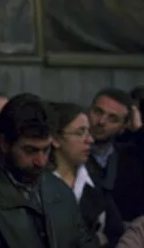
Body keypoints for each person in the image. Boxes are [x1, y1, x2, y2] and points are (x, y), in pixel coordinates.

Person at [0, 93, 97, 248]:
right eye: (30, 150)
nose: (40, 161)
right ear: (4, 143)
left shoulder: (60, 191)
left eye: (46, 150)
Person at [50, 101, 124, 247]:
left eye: (88, 132)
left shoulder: (95, 181)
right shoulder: (37, 184)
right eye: (80, 133)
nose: (89, 140)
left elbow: (115, 233)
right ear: (56, 139)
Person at [87, 88, 144, 221]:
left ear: (124, 126)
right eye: (98, 112)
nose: (101, 121)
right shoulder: (70, 152)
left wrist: (139, 129)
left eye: (113, 118)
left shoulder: (132, 158)